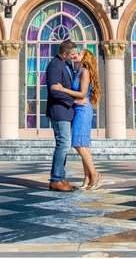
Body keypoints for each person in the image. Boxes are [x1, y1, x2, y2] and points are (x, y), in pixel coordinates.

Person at [52, 48, 102, 190]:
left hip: (83, 110)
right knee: (83, 144)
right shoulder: (78, 71)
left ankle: (95, 174)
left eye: (79, 54)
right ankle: (87, 178)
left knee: (79, 143)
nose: (76, 55)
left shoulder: (85, 71)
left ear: (85, 58)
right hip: (78, 109)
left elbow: (82, 93)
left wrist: (63, 90)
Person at [45, 39, 79, 192]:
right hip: (59, 111)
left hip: (66, 111)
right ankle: (55, 180)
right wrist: (75, 100)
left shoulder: (68, 64)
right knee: (63, 144)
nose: (75, 56)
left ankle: (61, 176)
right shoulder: (55, 64)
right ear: (64, 54)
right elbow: (54, 91)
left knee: (64, 145)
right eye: (72, 54)